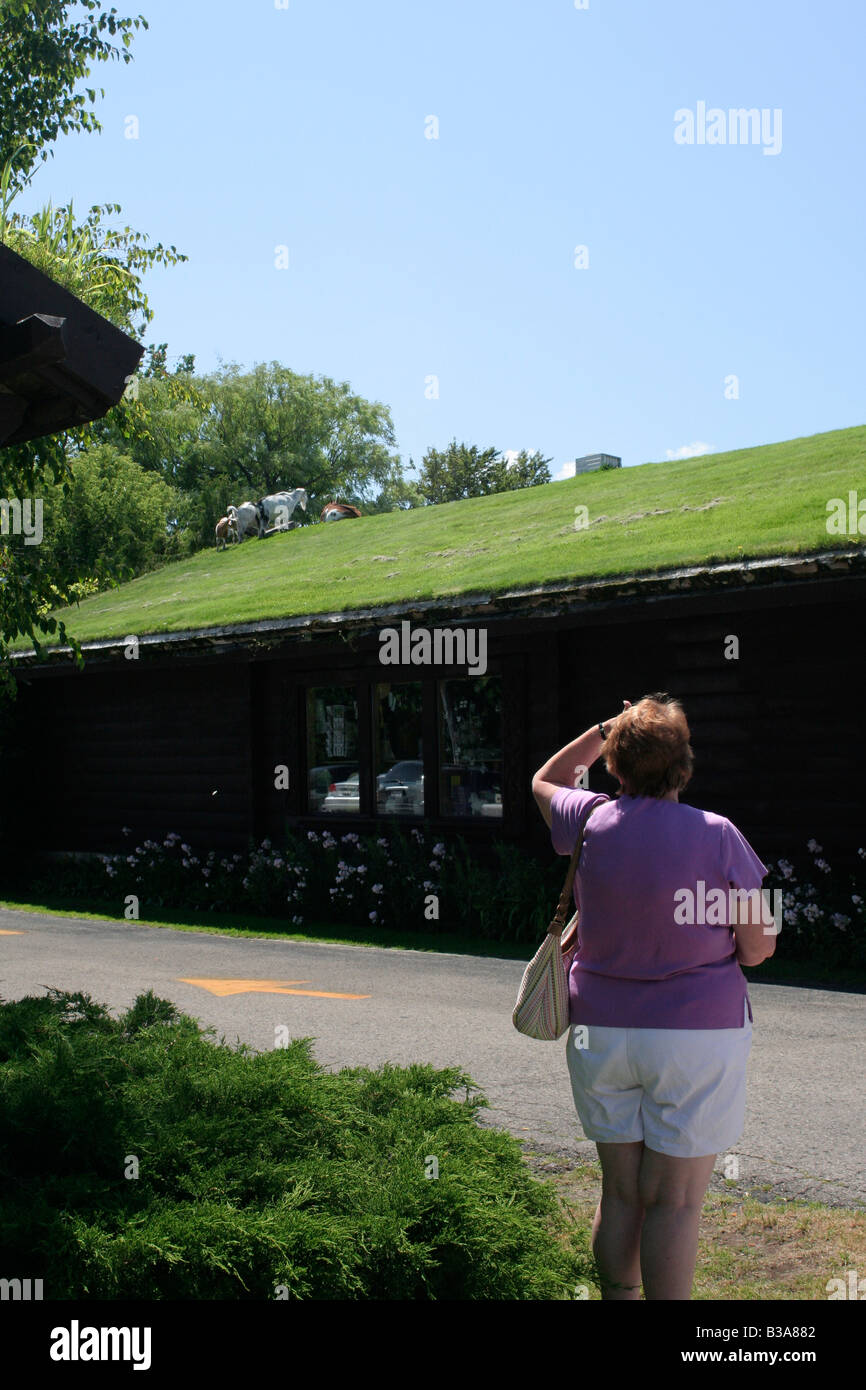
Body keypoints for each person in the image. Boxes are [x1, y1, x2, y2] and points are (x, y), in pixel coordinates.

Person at [530, 692, 775, 1301]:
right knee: (676, 1200)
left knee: (620, 1194)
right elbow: (759, 947)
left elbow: (546, 779)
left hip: (601, 1032)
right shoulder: (718, 836)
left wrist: (604, 728)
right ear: (684, 766)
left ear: (614, 766)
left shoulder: (587, 821)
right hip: (697, 1036)